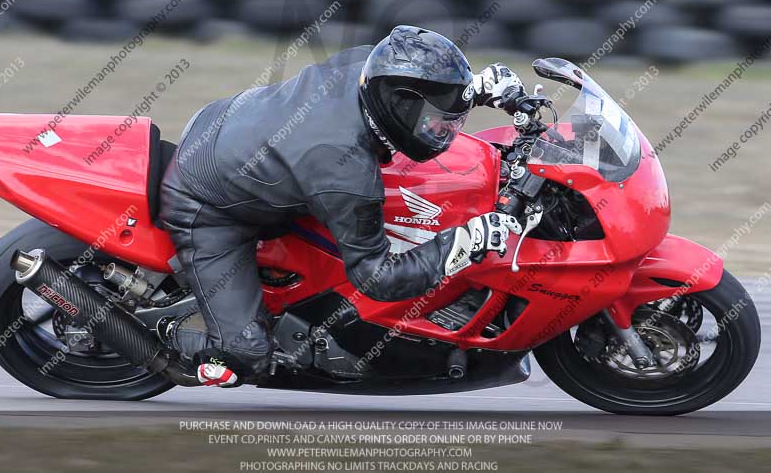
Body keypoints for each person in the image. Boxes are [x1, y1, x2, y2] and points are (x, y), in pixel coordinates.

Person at [159, 25, 527, 387]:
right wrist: (462, 244)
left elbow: (416, 77)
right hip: (206, 206)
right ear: (396, 107)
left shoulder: (371, 63)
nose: (442, 130)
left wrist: (470, 88)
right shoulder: (343, 171)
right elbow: (376, 277)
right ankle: (181, 343)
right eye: (435, 121)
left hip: (232, 127)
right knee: (247, 355)